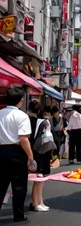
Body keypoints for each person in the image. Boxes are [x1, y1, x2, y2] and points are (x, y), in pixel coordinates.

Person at [0, 87, 34, 222]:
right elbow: (23, 138)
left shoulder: (0, 113)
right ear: (21, 101)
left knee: (1, 184)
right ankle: (18, 215)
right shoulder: (22, 116)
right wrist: (30, 156)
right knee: (19, 185)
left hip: (1, 151)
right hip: (16, 152)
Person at [29, 103, 55, 212]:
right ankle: (37, 203)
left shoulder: (28, 120)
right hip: (42, 152)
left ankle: (39, 202)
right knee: (39, 179)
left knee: (39, 179)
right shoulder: (44, 122)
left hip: (32, 151)